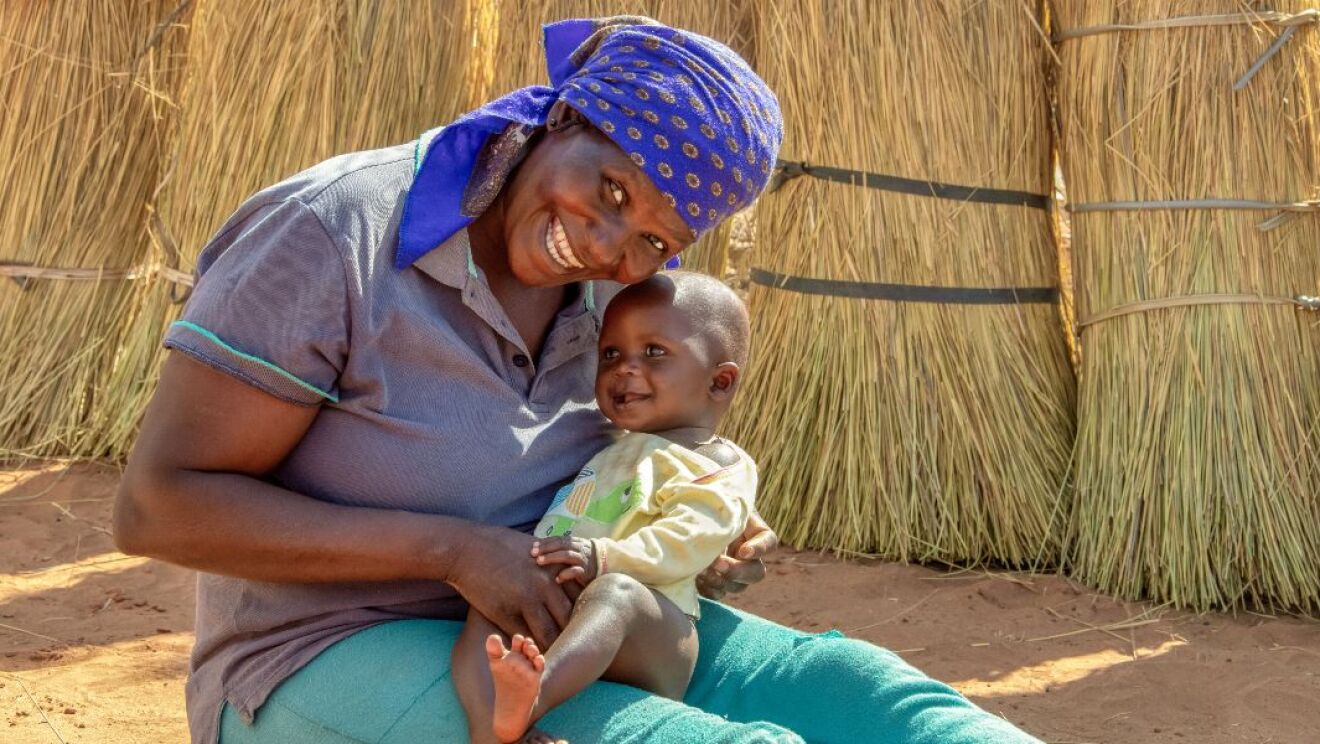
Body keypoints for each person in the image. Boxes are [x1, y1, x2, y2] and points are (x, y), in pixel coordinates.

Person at [113, 16, 1040, 744]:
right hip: (319, 656)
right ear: (562, 117)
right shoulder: (334, 238)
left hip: (570, 621)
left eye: (653, 238)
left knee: (883, 707)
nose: (603, 246)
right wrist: (453, 550)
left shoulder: (623, 304)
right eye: (609, 189)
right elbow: (158, 508)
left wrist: (685, 534)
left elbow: (615, 474)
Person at [456, 271, 758, 743]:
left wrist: (603, 560)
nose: (624, 368)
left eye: (654, 352)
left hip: (653, 633)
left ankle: (534, 698)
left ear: (719, 382)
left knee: (617, 594)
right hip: (572, 613)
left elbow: (690, 539)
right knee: (490, 602)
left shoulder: (716, 464)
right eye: (611, 354)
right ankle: (491, 730)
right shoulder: (613, 448)